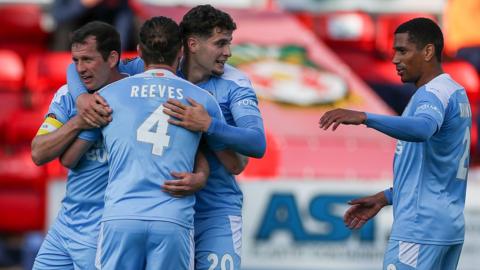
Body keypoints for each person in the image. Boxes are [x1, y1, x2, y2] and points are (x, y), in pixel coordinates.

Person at [67, 5, 267, 269]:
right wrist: (82, 97)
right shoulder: (151, 67)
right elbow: (77, 69)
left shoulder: (236, 84)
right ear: (192, 45)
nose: (227, 53)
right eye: (221, 44)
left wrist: (210, 125)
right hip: (168, 203)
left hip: (214, 208)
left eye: (228, 44)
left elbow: (256, 143)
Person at [319, 18, 471, 270]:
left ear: (428, 51)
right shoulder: (456, 92)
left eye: (402, 51)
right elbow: (437, 168)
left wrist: (364, 117)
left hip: (420, 228)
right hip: (447, 226)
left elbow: (423, 128)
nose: (394, 60)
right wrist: (386, 197)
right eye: (393, 51)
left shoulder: (432, 94)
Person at [30, 21, 122, 270]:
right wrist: (78, 122)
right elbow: (38, 152)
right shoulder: (66, 96)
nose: (80, 69)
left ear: (112, 58)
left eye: (88, 60)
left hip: (104, 228)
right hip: (66, 222)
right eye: (76, 60)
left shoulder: (132, 95)